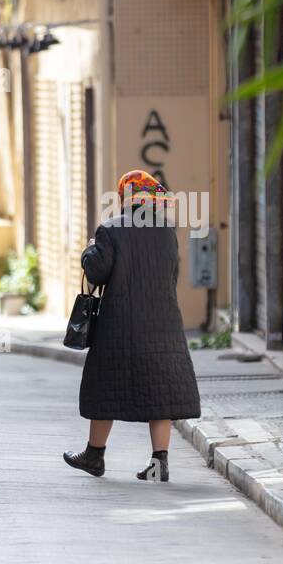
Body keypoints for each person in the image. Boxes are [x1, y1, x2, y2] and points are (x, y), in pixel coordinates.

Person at [63, 169, 200, 482]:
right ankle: (159, 463)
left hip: (119, 324)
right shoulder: (167, 232)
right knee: (160, 392)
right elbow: (172, 275)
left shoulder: (111, 230)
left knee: (104, 386)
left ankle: (95, 455)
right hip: (163, 322)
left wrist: (89, 250)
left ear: (125, 198)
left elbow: (96, 273)